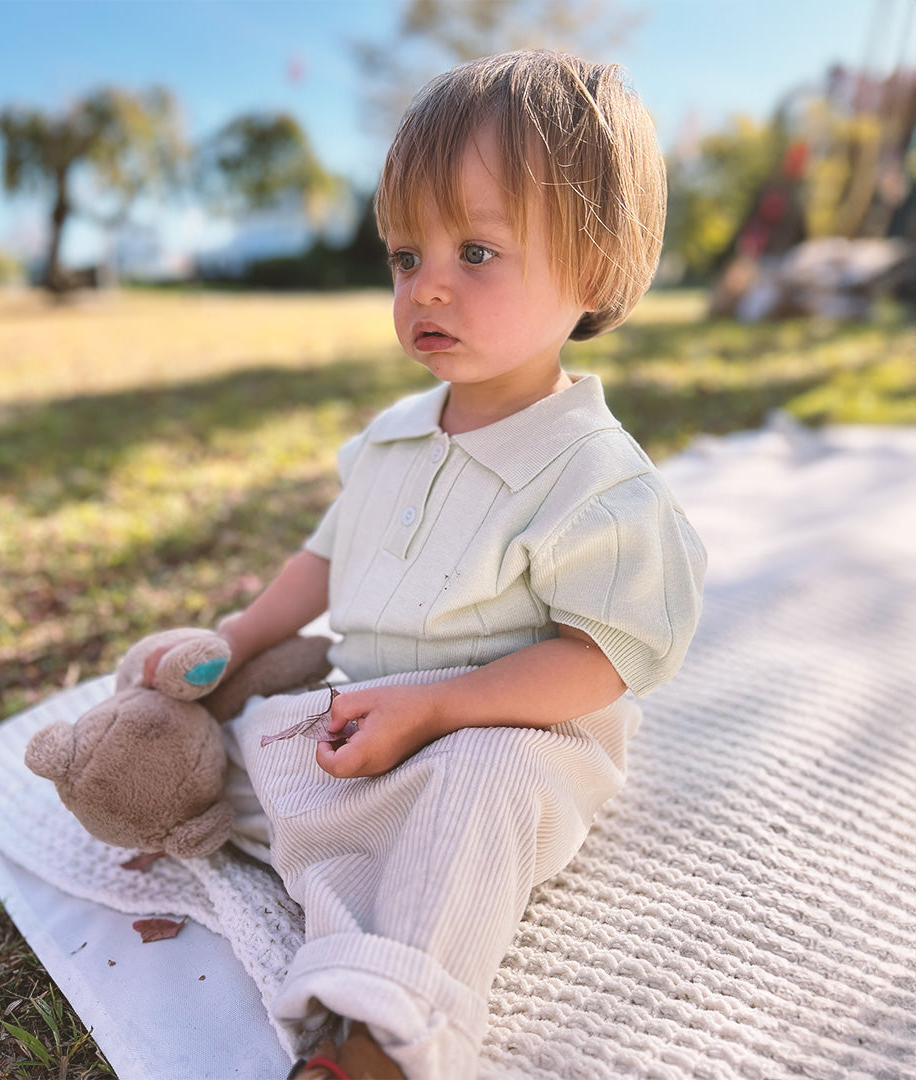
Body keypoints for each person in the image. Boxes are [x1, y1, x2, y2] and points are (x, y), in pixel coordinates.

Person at [216, 49, 706, 1080]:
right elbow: (325, 554)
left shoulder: (593, 476)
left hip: (511, 725)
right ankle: (322, 856)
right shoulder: (398, 430)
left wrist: (441, 710)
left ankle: (390, 1026)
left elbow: (601, 658)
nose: (426, 285)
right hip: (376, 704)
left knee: (478, 790)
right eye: (405, 256)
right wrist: (243, 636)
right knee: (264, 733)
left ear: (599, 270)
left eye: (476, 252)